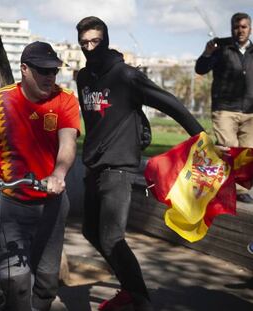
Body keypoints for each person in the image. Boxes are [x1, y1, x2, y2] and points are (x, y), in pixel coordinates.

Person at [75, 16, 206, 311]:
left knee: (111, 239)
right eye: (84, 43)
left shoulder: (125, 75)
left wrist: (199, 134)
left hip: (119, 167)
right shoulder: (83, 78)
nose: (89, 48)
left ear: (105, 40)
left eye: (95, 41)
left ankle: (141, 301)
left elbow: (167, 101)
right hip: (93, 165)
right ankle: (130, 288)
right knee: (90, 232)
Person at [0, 41, 80, 311]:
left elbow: (68, 143)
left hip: (52, 204)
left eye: (53, 71)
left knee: (46, 285)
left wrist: (58, 173)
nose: (50, 77)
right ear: (24, 69)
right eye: (43, 71)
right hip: (10, 205)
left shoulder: (65, 99)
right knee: (15, 284)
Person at [195, 12, 253, 203]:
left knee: (247, 154)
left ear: (250, 28)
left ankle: (241, 191)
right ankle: (229, 189)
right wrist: (207, 53)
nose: (240, 31)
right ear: (231, 28)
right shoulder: (221, 48)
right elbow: (201, 69)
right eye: (236, 27)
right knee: (228, 149)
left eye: (244, 27)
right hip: (225, 109)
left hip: (250, 111)